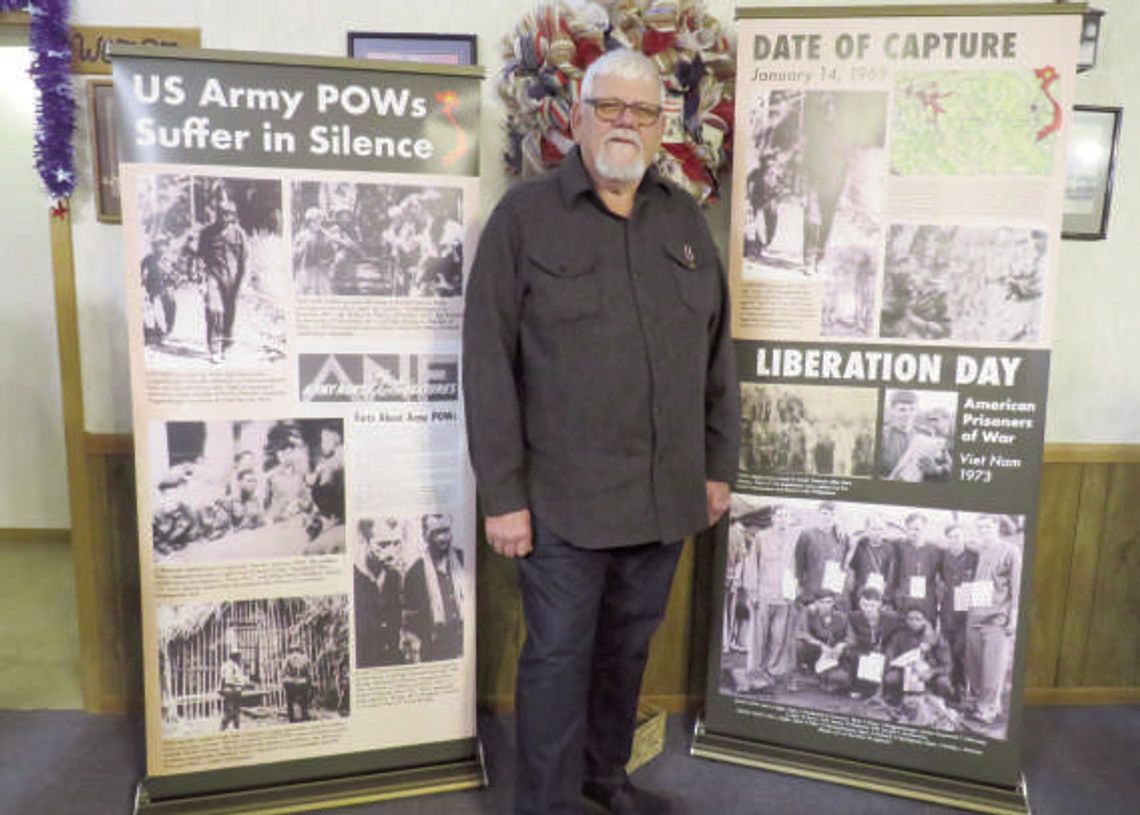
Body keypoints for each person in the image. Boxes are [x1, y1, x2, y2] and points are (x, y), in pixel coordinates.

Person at [462, 49, 739, 815]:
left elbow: (717, 354)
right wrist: (503, 496)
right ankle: (547, 804)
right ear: (577, 116)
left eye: (643, 111)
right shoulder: (524, 218)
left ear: (661, 127)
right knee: (556, 658)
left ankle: (603, 778)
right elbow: (487, 364)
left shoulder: (683, 219)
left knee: (625, 653)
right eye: (609, 106)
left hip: (662, 497)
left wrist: (717, 465)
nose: (625, 122)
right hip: (561, 502)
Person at [965, 515, 1021, 724]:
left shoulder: (1011, 551)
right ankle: (983, 704)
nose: (984, 531)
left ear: (997, 527)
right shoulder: (977, 551)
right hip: (975, 616)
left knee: (993, 667)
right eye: (980, 527)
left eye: (988, 527)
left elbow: (1017, 588)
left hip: (997, 618)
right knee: (975, 664)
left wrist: (1013, 617)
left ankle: (988, 709)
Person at [737, 505, 797, 691]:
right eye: (779, 515)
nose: (782, 519)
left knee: (778, 637)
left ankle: (771, 671)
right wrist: (752, 591)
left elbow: (797, 568)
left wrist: (793, 592)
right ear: (773, 518)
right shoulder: (762, 537)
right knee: (758, 636)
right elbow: (752, 564)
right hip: (763, 595)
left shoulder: (795, 539)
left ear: (790, 519)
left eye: (786, 515)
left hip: (784, 597)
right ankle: (755, 669)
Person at [403, 513, 465, 663]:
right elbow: (411, 621)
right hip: (434, 648)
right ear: (425, 536)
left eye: (446, 530)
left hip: (464, 640)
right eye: (437, 532)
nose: (444, 538)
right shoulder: (415, 572)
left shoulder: (463, 559)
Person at [196, 198, 247, 363]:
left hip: (233, 281)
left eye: (227, 214)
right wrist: (201, 281)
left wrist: (243, 282)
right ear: (216, 214)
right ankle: (215, 348)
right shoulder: (207, 233)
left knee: (230, 314)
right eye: (221, 214)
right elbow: (200, 258)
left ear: (232, 216)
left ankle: (226, 344)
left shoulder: (239, 234)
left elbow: (245, 260)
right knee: (214, 310)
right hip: (213, 277)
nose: (224, 218)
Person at [353, 518, 407, 668]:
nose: (391, 553)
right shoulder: (353, 578)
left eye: (396, 544)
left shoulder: (394, 577)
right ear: (363, 540)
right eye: (382, 545)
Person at [937, 523, 977, 701]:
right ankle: (951, 690)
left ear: (965, 537)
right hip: (947, 612)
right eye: (951, 536)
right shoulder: (943, 557)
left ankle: (964, 691)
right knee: (949, 652)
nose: (955, 540)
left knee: (962, 652)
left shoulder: (974, 557)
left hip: (966, 614)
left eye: (958, 536)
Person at [882, 608, 953, 706]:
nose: (914, 622)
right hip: (905, 672)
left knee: (943, 682)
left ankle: (940, 700)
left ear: (925, 620)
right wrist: (903, 667)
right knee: (891, 678)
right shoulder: (899, 636)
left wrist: (931, 672)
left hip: (929, 674)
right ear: (906, 620)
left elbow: (947, 665)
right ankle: (898, 698)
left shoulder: (936, 637)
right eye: (910, 619)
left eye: (918, 619)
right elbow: (890, 657)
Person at [795, 591, 851, 694]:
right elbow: (799, 632)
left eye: (829, 602)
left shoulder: (841, 617)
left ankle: (828, 677)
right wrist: (819, 644)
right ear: (816, 603)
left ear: (834, 603)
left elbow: (851, 636)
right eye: (822, 602)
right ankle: (799, 673)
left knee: (839, 680)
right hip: (815, 650)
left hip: (833, 654)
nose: (825, 605)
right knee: (798, 645)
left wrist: (841, 645)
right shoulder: (808, 612)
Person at [893, 512, 942, 623]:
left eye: (917, 529)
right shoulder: (900, 547)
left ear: (925, 528)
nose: (913, 532)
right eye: (909, 529)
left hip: (927, 604)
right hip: (905, 603)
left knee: (927, 636)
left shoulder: (935, 550)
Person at [281, 640, 313, 723]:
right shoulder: (305, 658)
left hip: (291, 682)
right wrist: (308, 681)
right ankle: (304, 715)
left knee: (290, 700)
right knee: (304, 700)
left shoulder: (288, 658)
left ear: (291, 650)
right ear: (300, 649)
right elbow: (309, 672)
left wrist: (285, 679)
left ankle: (292, 717)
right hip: (303, 681)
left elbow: (283, 671)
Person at [219, 648, 246, 731]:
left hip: (235, 690)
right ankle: (223, 727)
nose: (239, 657)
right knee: (230, 710)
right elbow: (228, 679)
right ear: (234, 656)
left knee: (236, 710)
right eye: (238, 656)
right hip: (232, 689)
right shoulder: (230, 666)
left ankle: (236, 727)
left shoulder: (233, 665)